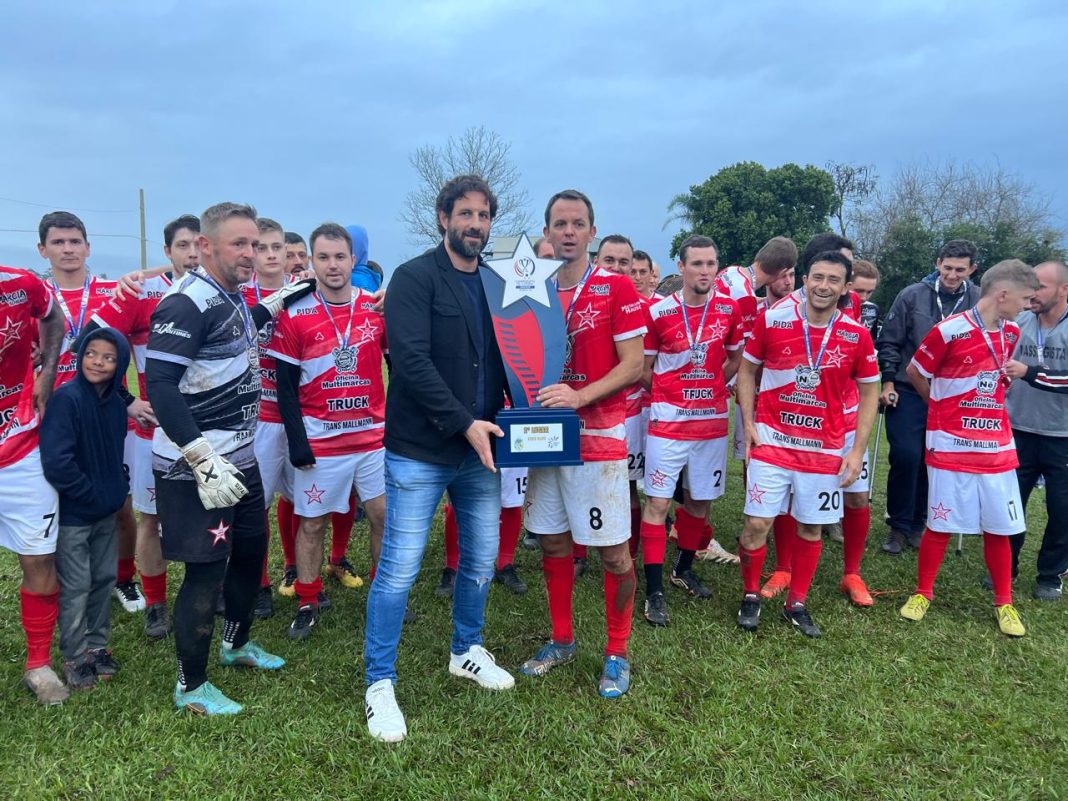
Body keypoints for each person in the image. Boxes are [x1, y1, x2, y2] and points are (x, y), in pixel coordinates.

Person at [364, 175, 513, 743]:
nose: (475, 224)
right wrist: (463, 423)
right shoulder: (414, 277)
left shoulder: (497, 284)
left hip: (483, 449)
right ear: (444, 218)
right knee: (399, 570)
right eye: (465, 214)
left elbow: (513, 357)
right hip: (421, 450)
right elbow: (411, 360)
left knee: (480, 560)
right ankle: (380, 682)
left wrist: (527, 408)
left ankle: (466, 649)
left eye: (483, 215)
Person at [146, 202, 310, 714]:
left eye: (255, 245)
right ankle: (190, 686)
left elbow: (235, 332)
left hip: (240, 454)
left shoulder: (230, 294)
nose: (251, 254)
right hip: (196, 465)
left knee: (250, 553)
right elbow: (160, 385)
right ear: (205, 246)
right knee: (205, 572)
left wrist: (277, 301)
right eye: (239, 244)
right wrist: (200, 457)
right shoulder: (186, 302)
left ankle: (236, 644)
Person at [519, 189, 646, 698]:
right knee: (553, 541)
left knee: (613, 553)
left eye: (577, 224)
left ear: (592, 232)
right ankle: (562, 639)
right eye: (559, 224)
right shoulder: (533, 289)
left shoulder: (616, 286)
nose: (568, 232)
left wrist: (580, 396)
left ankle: (617, 652)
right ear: (547, 232)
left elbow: (633, 365)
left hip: (598, 437)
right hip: (545, 437)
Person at [735, 251, 879, 638]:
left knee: (812, 528)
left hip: (824, 447)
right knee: (756, 524)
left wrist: (856, 449)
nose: (823, 286)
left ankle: (796, 602)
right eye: (817, 277)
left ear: (846, 288)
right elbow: (747, 371)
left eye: (833, 280)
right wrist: (748, 423)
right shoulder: (773, 319)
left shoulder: (856, 334)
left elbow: (869, 391)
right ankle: (750, 594)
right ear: (805, 280)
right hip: (773, 441)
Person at [899, 259, 1038, 637]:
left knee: (1000, 526)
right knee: (939, 522)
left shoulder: (1012, 332)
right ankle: (922, 593)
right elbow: (915, 371)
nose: (1028, 306)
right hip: (950, 443)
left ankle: (1004, 602)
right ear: (1003, 294)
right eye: (1025, 298)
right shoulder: (950, 330)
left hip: (995, 445)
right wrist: (938, 407)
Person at [83, 214, 200, 639]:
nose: (192, 254)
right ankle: (155, 604)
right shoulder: (143, 291)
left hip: (213, 427)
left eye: (198, 245)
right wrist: (127, 399)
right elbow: (88, 343)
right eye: (182, 246)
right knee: (150, 518)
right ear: (167, 251)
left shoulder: (224, 289)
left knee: (211, 514)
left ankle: (210, 592)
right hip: (157, 431)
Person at [270, 222, 387, 640]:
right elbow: (284, 387)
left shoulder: (376, 308)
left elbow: (401, 367)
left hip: (372, 438)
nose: (333, 265)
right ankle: (307, 600)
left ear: (353, 260)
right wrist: (298, 443)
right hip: (321, 441)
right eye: (323, 257)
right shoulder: (294, 314)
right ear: (311, 261)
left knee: (383, 516)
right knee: (313, 523)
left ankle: (384, 594)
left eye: (340, 256)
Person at [36, 211, 148, 615]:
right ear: (43, 250)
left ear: (88, 247)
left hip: (107, 413)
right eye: (58, 242)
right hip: (53, 415)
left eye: (74, 242)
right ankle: (65, 581)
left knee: (119, 501)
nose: (67, 249)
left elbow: (139, 347)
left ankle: (124, 578)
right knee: (55, 502)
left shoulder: (115, 292)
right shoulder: (35, 297)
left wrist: (131, 399)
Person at [639, 235, 744, 626]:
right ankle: (653, 590)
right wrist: (670, 394)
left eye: (711, 263)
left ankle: (682, 569)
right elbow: (644, 368)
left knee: (699, 501)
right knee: (658, 504)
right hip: (668, 424)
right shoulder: (659, 311)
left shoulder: (730, 308)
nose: (705, 271)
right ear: (681, 267)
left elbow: (735, 357)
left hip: (711, 424)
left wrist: (714, 384)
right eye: (697, 263)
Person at [40, 329, 131, 691]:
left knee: (103, 579)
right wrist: (88, 494)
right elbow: (57, 461)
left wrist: (116, 488)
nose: (97, 362)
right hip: (75, 516)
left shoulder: (115, 405)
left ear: (120, 364)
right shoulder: (67, 399)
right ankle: (75, 655)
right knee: (77, 586)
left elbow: (115, 453)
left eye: (108, 357)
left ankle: (96, 646)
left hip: (105, 512)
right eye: (91, 353)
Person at [877, 240, 980, 554]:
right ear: (937, 264)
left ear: (972, 269)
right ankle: (898, 525)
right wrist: (888, 382)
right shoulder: (912, 295)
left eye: (960, 270)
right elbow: (890, 342)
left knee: (934, 459)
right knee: (907, 455)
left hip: (954, 394)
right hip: (909, 387)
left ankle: (919, 522)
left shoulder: (978, 300)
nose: (952, 275)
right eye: (947, 267)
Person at [0, 263, 67, 703]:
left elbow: (54, 316)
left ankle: (39, 664)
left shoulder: (19, 284)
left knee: (40, 557)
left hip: (21, 447)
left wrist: (47, 372)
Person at [1000, 260, 1068, 600]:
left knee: (1062, 508)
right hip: (1019, 428)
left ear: (1063, 289)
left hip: (1062, 435)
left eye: (1040, 286)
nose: (1033, 293)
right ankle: (1005, 567)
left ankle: (1050, 574)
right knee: (1010, 504)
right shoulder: (1020, 321)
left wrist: (1029, 372)